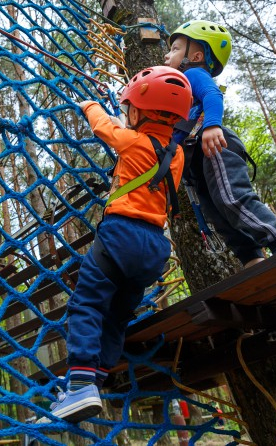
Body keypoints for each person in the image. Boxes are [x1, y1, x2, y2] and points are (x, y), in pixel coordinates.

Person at [37, 66, 192, 423]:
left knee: (88, 304)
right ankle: (98, 377)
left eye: (130, 109)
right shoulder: (178, 155)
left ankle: (79, 386)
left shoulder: (132, 139)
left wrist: (91, 104)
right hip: (155, 248)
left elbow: (104, 127)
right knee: (118, 314)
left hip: (122, 235)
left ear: (139, 111)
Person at [164, 19, 276, 268]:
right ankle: (251, 258)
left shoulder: (193, 74)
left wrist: (212, 124)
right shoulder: (179, 93)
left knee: (232, 198)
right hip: (196, 159)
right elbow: (178, 134)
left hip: (215, 144)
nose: (167, 55)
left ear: (196, 55)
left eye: (175, 49)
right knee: (216, 214)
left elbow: (213, 95)